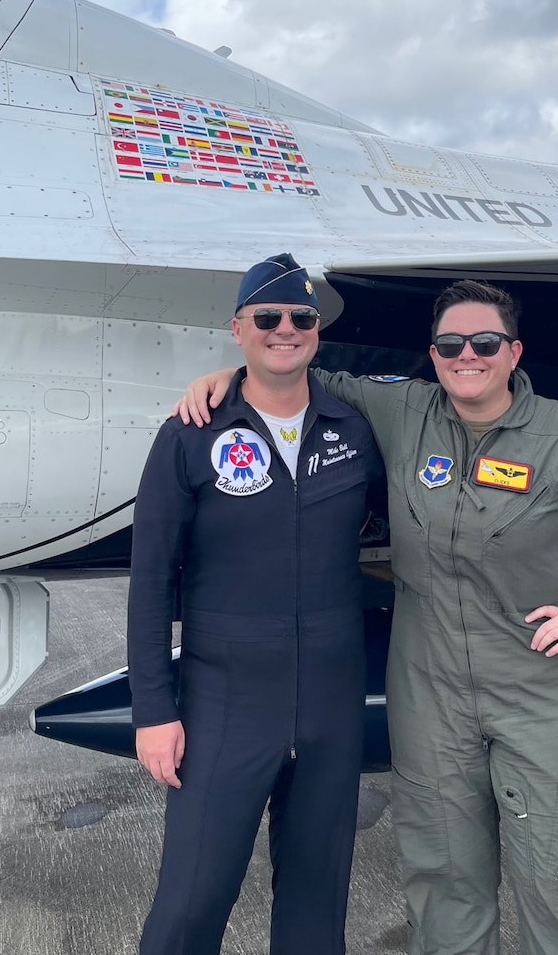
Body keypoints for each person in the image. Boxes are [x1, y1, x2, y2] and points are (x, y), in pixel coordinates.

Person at [177, 278, 558, 955]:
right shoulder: (403, 408)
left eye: (484, 342)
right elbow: (303, 374)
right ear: (434, 351)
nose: (465, 355)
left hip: (543, 694)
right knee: (443, 879)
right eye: (450, 343)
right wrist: (231, 376)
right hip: (431, 692)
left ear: (514, 351)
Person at [128, 253, 383, 955]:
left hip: (331, 702)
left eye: (301, 319)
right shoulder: (192, 433)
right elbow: (150, 579)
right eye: (266, 318)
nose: (285, 330)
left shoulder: (352, 431)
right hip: (226, 700)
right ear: (237, 328)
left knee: (315, 903)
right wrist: (153, 711)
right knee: (190, 901)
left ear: (316, 334)